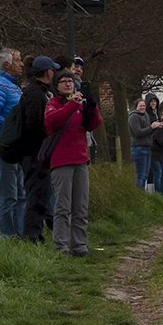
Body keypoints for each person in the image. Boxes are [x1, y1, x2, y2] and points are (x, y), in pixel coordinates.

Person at [44, 69, 102, 256]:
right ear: (57, 85)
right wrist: (72, 104)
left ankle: (80, 245)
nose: (68, 84)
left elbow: (93, 125)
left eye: (70, 81)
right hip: (61, 161)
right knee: (62, 206)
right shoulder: (53, 104)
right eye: (63, 82)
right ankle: (61, 245)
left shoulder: (80, 103)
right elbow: (53, 122)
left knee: (81, 206)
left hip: (81, 159)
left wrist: (93, 109)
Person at [0, 47, 25, 237]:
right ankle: (8, 238)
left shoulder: (13, 85)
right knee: (9, 196)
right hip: (4, 146)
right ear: (7, 64)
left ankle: (21, 235)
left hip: (16, 146)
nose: (22, 64)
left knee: (21, 194)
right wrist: (13, 131)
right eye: (18, 60)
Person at [20, 56, 60, 242]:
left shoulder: (41, 92)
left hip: (39, 153)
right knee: (36, 195)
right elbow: (34, 125)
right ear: (49, 72)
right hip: (34, 153)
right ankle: (32, 236)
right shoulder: (36, 94)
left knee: (42, 194)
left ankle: (36, 234)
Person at [128, 97, 154, 189]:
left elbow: (148, 131)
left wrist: (154, 127)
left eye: (144, 106)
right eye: (140, 106)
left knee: (146, 175)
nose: (142, 107)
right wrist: (151, 128)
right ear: (136, 106)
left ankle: (143, 194)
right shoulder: (134, 116)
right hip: (138, 148)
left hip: (147, 147)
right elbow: (137, 132)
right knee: (141, 175)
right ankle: (139, 195)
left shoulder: (145, 115)